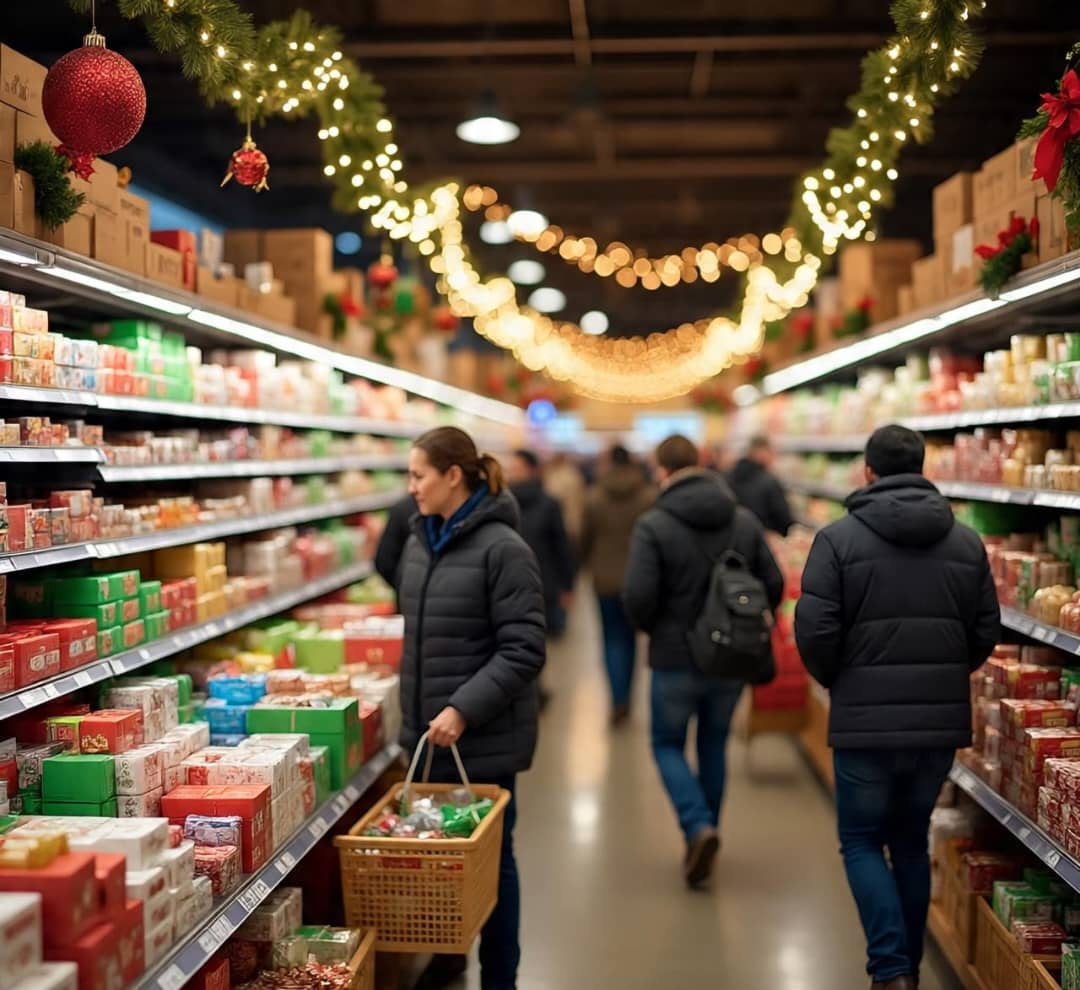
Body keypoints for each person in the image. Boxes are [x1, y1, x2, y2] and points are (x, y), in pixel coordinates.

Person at [794, 425, 1000, 990]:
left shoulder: (837, 541)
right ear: (924, 467)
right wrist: (943, 677)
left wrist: (841, 680)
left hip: (863, 722)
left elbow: (814, 630)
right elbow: (984, 631)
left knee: (861, 840)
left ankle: (891, 971)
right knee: (909, 839)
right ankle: (905, 967)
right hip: (936, 725)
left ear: (867, 472)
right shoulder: (964, 542)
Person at [397, 427, 546, 990]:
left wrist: (462, 708)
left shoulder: (503, 549)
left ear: (453, 475)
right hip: (424, 733)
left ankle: (500, 977)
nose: (411, 487)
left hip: (481, 737)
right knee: (438, 856)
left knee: (492, 862)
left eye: (419, 475)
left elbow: (526, 648)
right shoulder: (420, 540)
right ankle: (448, 955)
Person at [623, 434, 783, 887]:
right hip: (731, 656)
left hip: (674, 656)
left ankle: (697, 827)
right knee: (714, 744)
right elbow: (771, 583)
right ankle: (708, 828)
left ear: (662, 470)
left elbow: (637, 596)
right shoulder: (743, 521)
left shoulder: (654, 524)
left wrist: (658, 628)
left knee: (666, 743)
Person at [580, 444, 655, 723]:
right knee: (631, 640)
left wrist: (582, 566)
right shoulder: (648, 496)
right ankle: (629, 698)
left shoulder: (595, 496)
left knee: (611, 639)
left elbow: (584, 537)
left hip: (603, 578)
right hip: (638, 578)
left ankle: (617, 698)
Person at [508, 449, 576, 639]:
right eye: (510, 468)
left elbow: (561, 546)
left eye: (517, 468)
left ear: (531, 470)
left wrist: (567, 585)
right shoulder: (501, 505)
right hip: (510, 586)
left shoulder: (549, 504)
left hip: (544, 584)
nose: (512, 473)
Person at [726, 434, 794, 535]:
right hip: (764, 538)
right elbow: (783, 517)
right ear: (761, 452)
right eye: (770, 452)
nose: (773, 457)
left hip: (736, 537)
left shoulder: (729, 475)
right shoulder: (768, 481)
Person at [373, 492, 417, 590]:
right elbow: (384, 562)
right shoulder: (403, 510)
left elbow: (383, 562)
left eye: (419, 477)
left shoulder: (402, 508)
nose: (412, 488)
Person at [544, 451, 586, 550]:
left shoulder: (559, 478)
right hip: (571, 523)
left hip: (564, 524)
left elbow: (554, 498)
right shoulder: (574, 475)